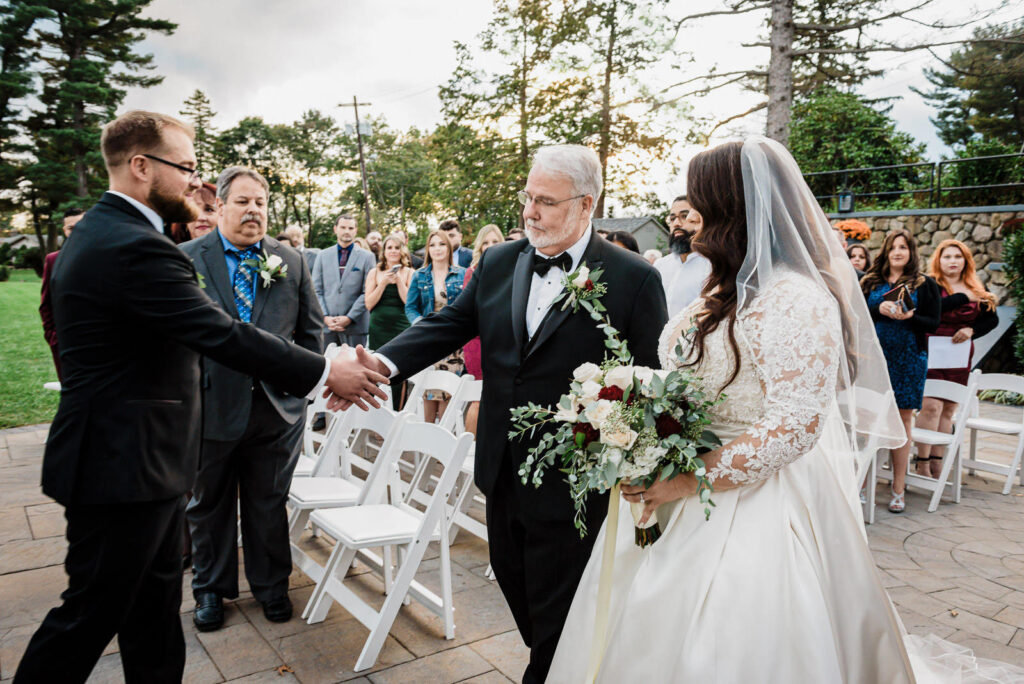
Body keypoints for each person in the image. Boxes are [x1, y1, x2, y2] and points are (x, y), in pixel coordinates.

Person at [547, 137, 1024, 683]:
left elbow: (794, 426)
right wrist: (640, 426)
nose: (690, 216)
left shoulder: (796, 298)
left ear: (730, 207)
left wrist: (683, 480)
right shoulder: (723, 288)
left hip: (758, 501)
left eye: (700, 202)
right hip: (685, 478)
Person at [12, 110, 387, 684]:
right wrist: (325, 371)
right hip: (121, 465)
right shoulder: (132, 245)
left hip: (147, 460)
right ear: (142, 166)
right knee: (90, 614)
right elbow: (220, 333)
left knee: (154, 609)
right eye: (186, 168)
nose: (196, 183)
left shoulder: (113, 233)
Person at [365, 144, 667, 682]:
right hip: (500, 467)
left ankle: (551, 671)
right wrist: (380, 364)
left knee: (559, 612)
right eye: (527, 197)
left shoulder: (634, 278)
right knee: (516, 584)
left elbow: (649, 380)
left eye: (545, 202)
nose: (529, 212)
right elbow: (448, 325)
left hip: (575, 480)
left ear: (586, 204)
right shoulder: (500, 260)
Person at [179, 166, 324, 632]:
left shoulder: (290, 260)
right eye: (242, 202)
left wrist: (299, 396)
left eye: (260, 202)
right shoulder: (187, 258)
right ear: (220, 206)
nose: (253, 211)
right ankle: (210, 590)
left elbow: (311, 332)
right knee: (208, 503)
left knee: (268, 501)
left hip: (276, 409)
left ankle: (271, 587)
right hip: (209, 407)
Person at [861, 229, 941, 513]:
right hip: (874, 358)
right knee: (868, 418)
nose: (897, 252)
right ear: (886, 251)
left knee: (903, 420)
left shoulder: (925, 284)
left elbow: (933, 323)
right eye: (893, 247)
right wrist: (877, 309)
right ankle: (862, 482)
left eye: (903, 247)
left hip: (909, 359)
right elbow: (855, 315)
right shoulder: (870, 282)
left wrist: (910, 316)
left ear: (911, 252)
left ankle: (898, 487)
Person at [915, 239, 999, 478]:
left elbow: (992, 319)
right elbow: (930, 310)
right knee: (931, 406)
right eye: (947, 256)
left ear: (966, 261)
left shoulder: (976, 287)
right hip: (930, 350)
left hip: (959, 356)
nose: (953, 261)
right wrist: (963, 297)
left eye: (958, 256)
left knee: (948, 408)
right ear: (938, 260)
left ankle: (937, 460)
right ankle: (921, 461)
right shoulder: (929, 284)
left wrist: (972, 330)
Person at [405, 229, 467, 423]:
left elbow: (468, 307)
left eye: (441, 244)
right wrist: (421, 325)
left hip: (453, 343)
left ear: (449, 248)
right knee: (429, 392)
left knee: (448, 393)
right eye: (432, 245)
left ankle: (443, 438)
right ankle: (426, 437)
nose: (437, 248)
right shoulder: (419, 276)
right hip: (428, 341)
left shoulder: (462, 274)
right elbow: (410, 307)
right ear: (428, 249)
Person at [461, 224, 504, 433]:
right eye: (486, 242)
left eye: (495, 241)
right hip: (478, 339)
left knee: (497, 398)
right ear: (479, 247)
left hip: (502, 339)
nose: (490, 246)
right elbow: (471, 310)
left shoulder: (510, 269)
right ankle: (469, 447)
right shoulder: (473, 272)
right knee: (478, 398)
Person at [312, 213, 376, 348]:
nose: (347, 231)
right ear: (335, 229)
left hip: (355, 327)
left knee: (356, 361)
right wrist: (325, 317)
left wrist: (349, 318)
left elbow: (367, 292)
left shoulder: (367, 257)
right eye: (343, 227)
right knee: (327, 361)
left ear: (356, 231)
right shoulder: (322, 256)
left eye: (351, 228)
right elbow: (316, 290)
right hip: (327, 327)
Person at [39, 208, 84, 380]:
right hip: (65, 342)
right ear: (64, 231)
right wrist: (53, 338)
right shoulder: (53, 260)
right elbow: (46, 304)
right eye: (71, 228)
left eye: (81, 226)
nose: (76, 231)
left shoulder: (106, 256)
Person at [652, 194, 712, 317]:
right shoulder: (660, 265)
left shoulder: (711, 266)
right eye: (672, 218)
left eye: (684, 216)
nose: (676, 223)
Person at [366, 234, 414, 350]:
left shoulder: (410, 272)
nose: (393, 251)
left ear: (402, 251)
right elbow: (369, 304)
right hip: (379, 326)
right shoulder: (374, 272)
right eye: (389, 247)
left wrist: (399, 281)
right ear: (384, 251)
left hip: (402, 324)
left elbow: (409, 302)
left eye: (397, 248)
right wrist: (383, 283)